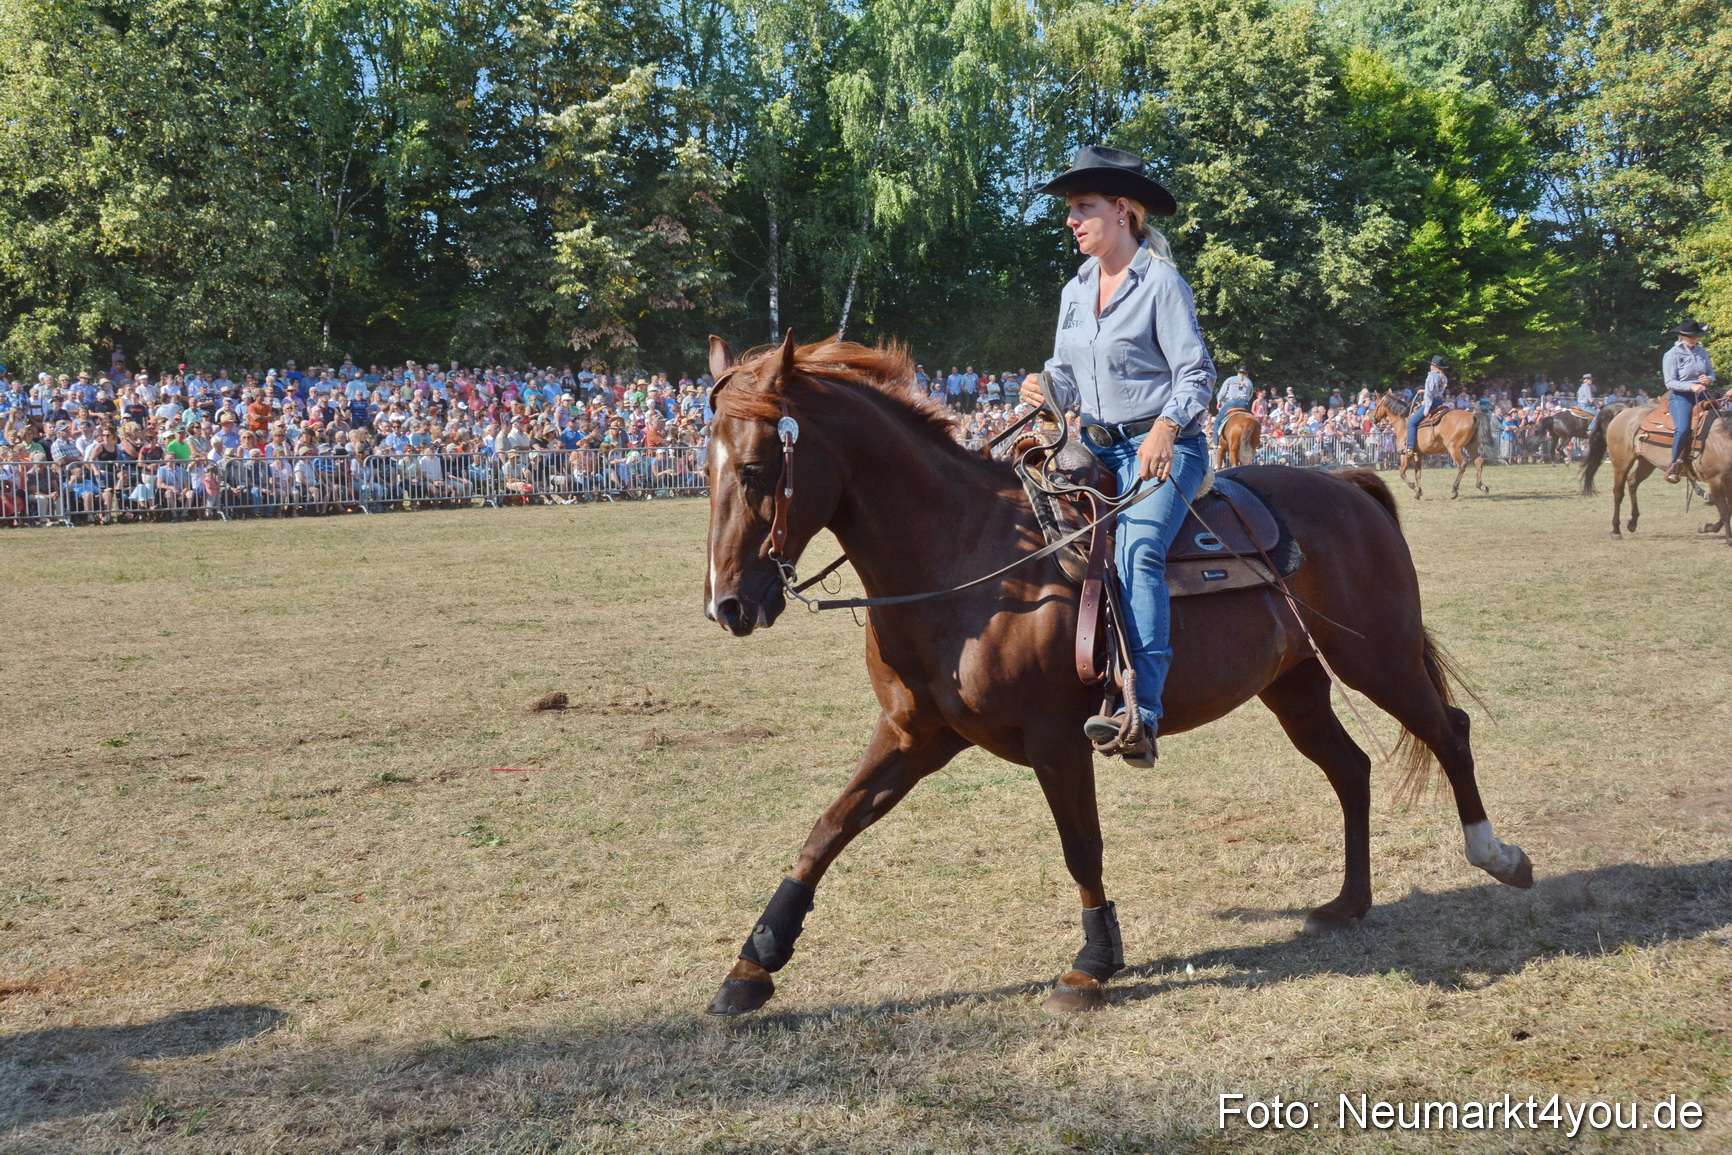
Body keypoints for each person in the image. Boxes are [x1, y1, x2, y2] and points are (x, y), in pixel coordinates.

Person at [1019, 144, 1213, 767]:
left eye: (1083, 207)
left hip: (1166, 448)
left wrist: (1164, 426)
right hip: (1094, 447)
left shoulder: (1160, 281)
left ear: (1123, 212)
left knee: (1137, 548)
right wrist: (1043, 390)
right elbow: (1065, 375)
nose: (1071, 221)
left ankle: (1142, 711)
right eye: (1070, 209)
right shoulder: (1074, 290)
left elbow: (1196, 374)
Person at [1663, 319, 1715, 483]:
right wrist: (1691, 386)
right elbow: (1669, 382)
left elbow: (1712, 374)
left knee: (1718, 423)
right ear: (1682, 336)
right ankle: (1675, 464)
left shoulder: (1702, 351)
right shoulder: (1672, 354)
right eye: (1691, 337)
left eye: (1697, 337)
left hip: (1702, 395)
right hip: (1681, 396)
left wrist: (1708, 379)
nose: (1695, 340)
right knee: (1683, 428)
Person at [1405, 355, 1448, 452]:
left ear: (1433, 365)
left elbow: (1429, 394)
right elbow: (1436, 391)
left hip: (1431, 403)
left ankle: (1410, 447)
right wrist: (1424, 390)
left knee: (1411, 423)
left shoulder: (1431, 376)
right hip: (1439, 402)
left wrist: (1426, 409)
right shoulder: (1444, 377)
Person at [1214, 364, 1253, 439]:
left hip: (1231, 403)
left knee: (1217, 421)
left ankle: (1215, 440)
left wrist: (1219, 400)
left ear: (1238, 372)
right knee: (1254, 422)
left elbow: (1222, 392)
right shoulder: (1249, 382)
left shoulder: (1230, 379)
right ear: (1247, 373)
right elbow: (1250, 395)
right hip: (1244, 404)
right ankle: (1256, 439)